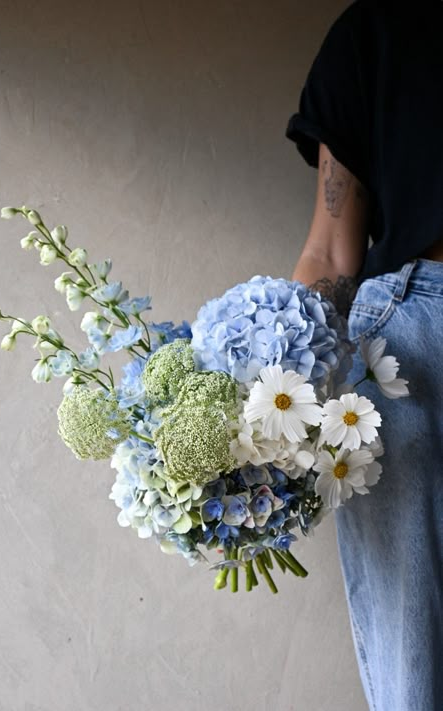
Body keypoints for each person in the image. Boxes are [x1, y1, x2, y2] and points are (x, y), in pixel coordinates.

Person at [285, 1, 443, 710]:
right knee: (415, 677)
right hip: (409, 349)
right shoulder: (378, 28)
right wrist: (270, 394)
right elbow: (329, 251)